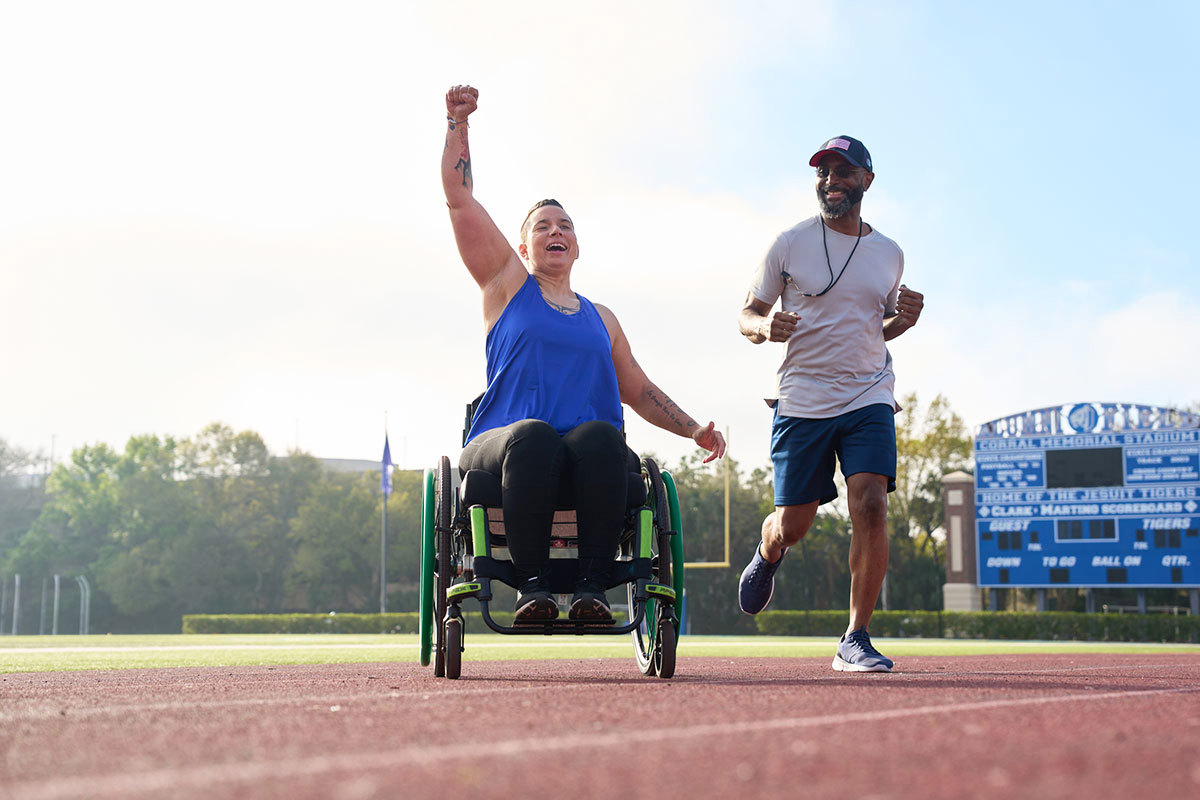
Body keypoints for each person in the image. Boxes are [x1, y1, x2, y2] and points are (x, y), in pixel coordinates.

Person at [442, 84, 726, 625]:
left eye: (565, 225)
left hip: (586, 461)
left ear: (576, 245)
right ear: (523, 248)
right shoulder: (507, 286)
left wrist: (695, 431)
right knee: (535, 434)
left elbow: (638, 390)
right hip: (503, 448)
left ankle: (594, 588)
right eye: (542, 226)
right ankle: (533, 589)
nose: (556, 230)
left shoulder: (602, 317)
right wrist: (459, 123)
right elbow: (459, 199)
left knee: (600, 435)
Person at [736, 135, 923, 672]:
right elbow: (746, 314)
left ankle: (855, 637)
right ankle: (770, 550)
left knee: (869, 503)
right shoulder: (788, 243)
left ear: (867, 180)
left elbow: (877, 325)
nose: (831, 180)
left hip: (868, 392)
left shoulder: (889, 253)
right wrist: (763, 326)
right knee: (794, 524)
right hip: (803, 396)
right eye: (823, 172)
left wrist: (902, 321)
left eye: (843, 171)